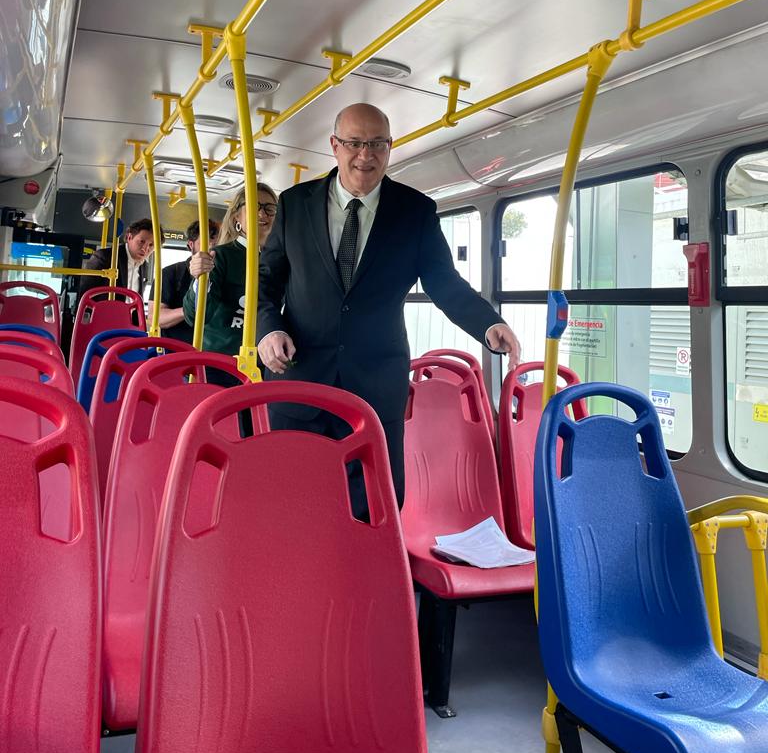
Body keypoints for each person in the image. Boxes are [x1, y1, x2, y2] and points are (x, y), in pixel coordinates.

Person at [257, 103, 521, 516]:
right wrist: (268, 329)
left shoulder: (414, 212)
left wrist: (488, 322)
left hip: (376, 382)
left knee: (375, 503)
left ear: (390, 147)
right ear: (335, 146)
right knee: (293, 497)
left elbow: (443, 282)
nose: (366, 155)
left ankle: (365, 579)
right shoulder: (295, 204)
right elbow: (266, 282)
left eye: (377, 144)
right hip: (299, 374)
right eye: (355, 143)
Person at [183, 183, 279, 359]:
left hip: (265, 363)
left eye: (269, 208)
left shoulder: (281, 258)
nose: (262, 213)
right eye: (253, 206)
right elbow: (195, 316)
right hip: (220, 362)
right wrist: (199, 279)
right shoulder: (220, 256)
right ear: (237, 218)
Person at [147, 219, 219, 343]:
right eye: (207, 243)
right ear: (191, 245)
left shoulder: (223, 276)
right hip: (175, 349)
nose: (213, 249)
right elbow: (156, 318)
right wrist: (189, 309)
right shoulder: (170, 274)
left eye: (217, 244)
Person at [78, 217, 158, 300]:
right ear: (129, 237)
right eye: (142, 241)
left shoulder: (144, 266)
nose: (145, 248)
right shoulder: (105, 257)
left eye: (151, 245)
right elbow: (84, 294)